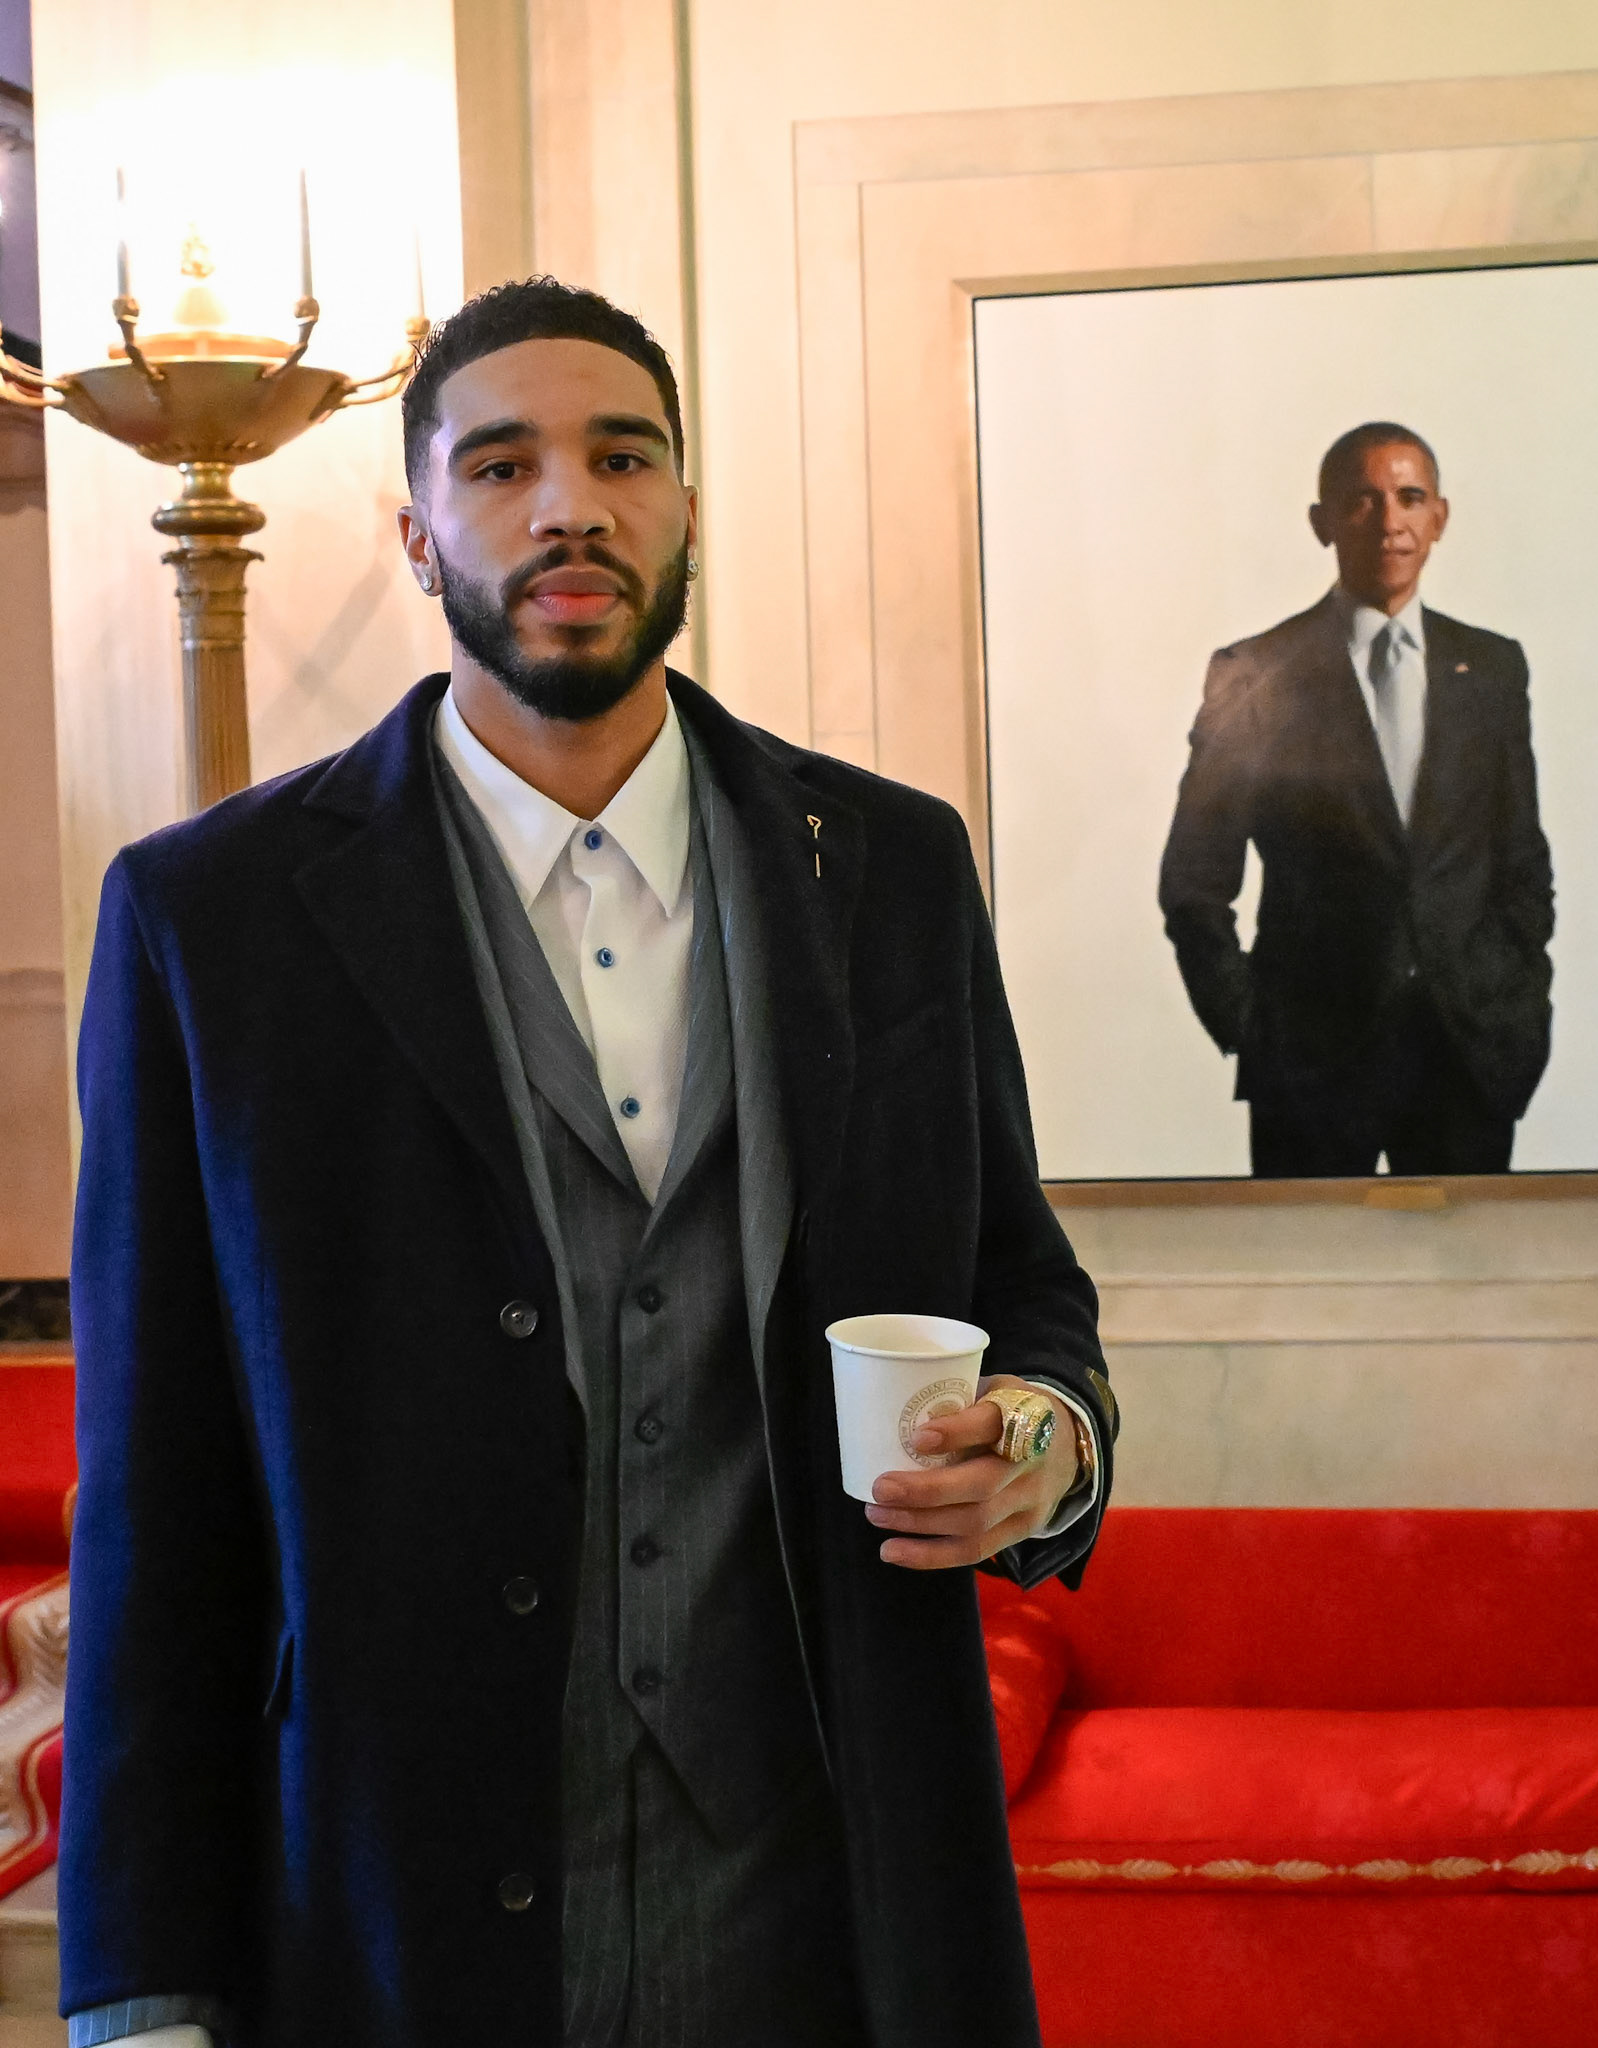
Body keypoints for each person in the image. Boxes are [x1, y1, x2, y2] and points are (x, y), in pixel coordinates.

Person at [59, 277, 1117, 2048]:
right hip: (398, 1897)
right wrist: (141, 1990)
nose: (571, 503)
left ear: (684, 509)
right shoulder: (208, 921)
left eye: (623, 455)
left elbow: (1023, 1289)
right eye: (502, 463)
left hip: (825, 1893)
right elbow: (153, 1487)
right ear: (416, 531)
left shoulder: (893, 871)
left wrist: (1041, 1444)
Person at [1158, 420, 1555, 1178]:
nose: (1390, 521)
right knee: (1311, 1291)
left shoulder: (1495, 669)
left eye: (1410, 498)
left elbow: (1522, 859)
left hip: (1466, 1056)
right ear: (1323, 521)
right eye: (1362, 501)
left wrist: (1518, 1005)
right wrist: (1251, 1025)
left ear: (1439, 517)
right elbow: (1194, 880)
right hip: (1308, 1068)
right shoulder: (1256, 672)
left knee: (1464, 1291)